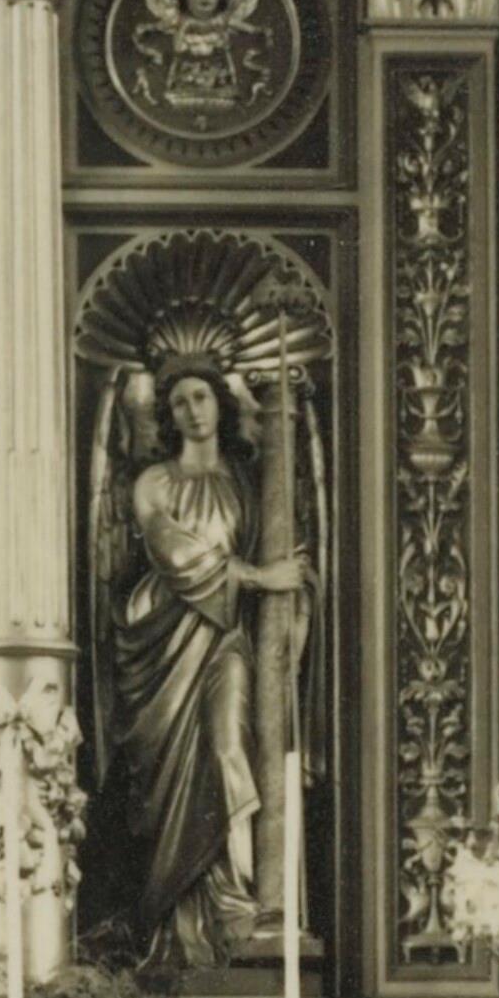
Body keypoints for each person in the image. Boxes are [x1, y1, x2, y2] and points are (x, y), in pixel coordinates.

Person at [101, 356, 313, 961]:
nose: (192, 411)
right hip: (164, 641)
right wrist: (262, 578)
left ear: (220, 402)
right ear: (168, 416)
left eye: (201, 397)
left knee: (229, 748)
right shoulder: (154, 482)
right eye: (179, 402)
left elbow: (287, 556)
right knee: (168, 780)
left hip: (226, 639)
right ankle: (178, 915)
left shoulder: (248, 482)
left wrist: (295, 585)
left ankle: (236, 896)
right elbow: (174, 552)